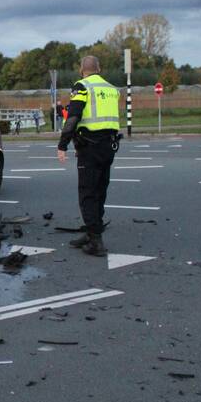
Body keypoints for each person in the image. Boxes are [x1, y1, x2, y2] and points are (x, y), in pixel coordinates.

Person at [56, 56, 121, 256]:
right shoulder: (112, 89)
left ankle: (95, 241)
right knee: (100, 190)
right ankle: (92, 230)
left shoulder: (82, 87)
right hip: (109, 146)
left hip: (90, 147)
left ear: (80, 69)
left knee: (87, 193)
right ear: (99, 68)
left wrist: (63, 144)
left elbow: (73, 116)